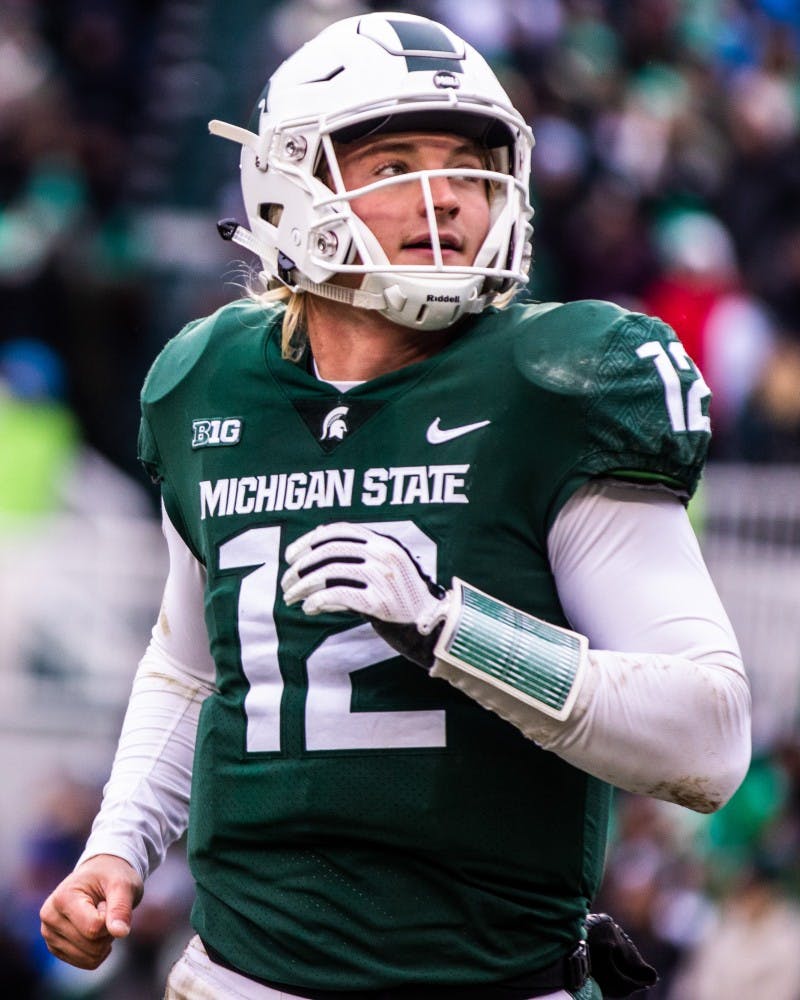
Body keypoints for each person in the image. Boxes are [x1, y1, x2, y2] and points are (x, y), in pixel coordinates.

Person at [39, 11, 751, 1000]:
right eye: (393, 164)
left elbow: (707, 738)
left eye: (467, 163)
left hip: (487, 977)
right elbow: (192, 668)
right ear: (288, 186)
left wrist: (449, 627)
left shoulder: (554, 383)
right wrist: (117, 846)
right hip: (236, 977)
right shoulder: (208, 383)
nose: (445, 195)